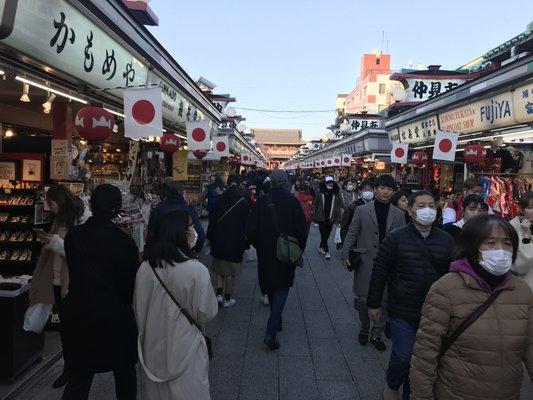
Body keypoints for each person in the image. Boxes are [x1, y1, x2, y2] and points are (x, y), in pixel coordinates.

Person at [410, 214, 533, 400]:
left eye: (507, 243)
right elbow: (425, 354)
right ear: (472, 247)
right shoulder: (445, 288)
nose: (501, 250)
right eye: (491, 243)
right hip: (456, 393)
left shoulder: (522, 291)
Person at [367, 190, 455, 400]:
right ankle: (392, 382)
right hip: (402, 310)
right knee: (404, 355)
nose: (427, 210)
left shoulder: (446, 240)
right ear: (410, 210)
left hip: (435, 312)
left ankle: (410, 392)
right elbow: (380, 272)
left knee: (425, 359)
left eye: (432, 206)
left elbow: (453, 274)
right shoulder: (395, 238)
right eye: (421, 206)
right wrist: (374, 303)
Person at [61, 184, 139, 400]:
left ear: (91, 206)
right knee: (125, 375)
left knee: (80, 378)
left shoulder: (74, 237)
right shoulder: (126, 243)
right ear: (117, 208)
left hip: (82, 316)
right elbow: (130, 286)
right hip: (117, 317)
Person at [134, 210, 218, 400]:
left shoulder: (146, 267)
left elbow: (139, 309)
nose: (194, 230)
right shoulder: (196, 271)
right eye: (190, 226)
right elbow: (208, 312)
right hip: (185, 347)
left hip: (152, 347)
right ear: (180, 233)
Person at [29, 184, 89, 389]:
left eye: (51, 202)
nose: (49, 206)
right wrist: (48, 240)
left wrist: (54, 242)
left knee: (72, 328)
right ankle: (68, 367)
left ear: (61, 201)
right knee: (65, 327)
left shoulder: (80, 219)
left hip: (70, 282)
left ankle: (75, 368)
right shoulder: (59, 219)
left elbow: (79, 254)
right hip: (55, 279)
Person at [341, 174, 406, 351]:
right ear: (375, 189)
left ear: (393, 192)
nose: (385, 192)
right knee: (363, 299)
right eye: (382, 188)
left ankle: (377, 333)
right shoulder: (362, 211)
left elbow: (402, 240)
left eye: (389, 189)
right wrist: (345, 253)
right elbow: (352, 232)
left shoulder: (399, 214)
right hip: (366, 261)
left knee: (384, 300)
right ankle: (364, 327)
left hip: (389, 264)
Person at [246, 170, 307, 350]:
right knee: (283, 285)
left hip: (266, 252)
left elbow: (250, 230)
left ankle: (276, 319)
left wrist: (260, 245)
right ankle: (272, 329)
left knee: (270, 284)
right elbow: (302, 229)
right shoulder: (293, 202)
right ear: (286, 182)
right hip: (287, 252)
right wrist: (297, 247)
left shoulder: (261, 202)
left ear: (270, 183)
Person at [206, 175, 250, 308]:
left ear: (228, 183)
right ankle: (227, 298)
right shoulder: (243, 202)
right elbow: (246, 224)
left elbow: (213, 219)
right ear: (239, 184)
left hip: (219, 239)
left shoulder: (220, 199)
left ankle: (218, 295)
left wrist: (209, 237)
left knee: (219, 269)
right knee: (231, 272)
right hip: (235, 241)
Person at [145, 179, 205, 257]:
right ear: (183, 193)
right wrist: (196, 250)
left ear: (166, 194)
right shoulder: (189, 209)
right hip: (184, 253)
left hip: (162, 254)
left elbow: (151, 235)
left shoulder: (158, 210)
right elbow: (201, 236)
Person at [313, 176, 342, 260]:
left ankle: (321, 247)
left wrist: (338, 218)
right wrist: (315, 217)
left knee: (327, 234)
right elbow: (315, 204)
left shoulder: (336, 193)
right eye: (328, 182)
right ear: (325, 183)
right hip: (321, 217)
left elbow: (338, 207)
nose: (330, 183)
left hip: (331, 217)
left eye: (331, 182)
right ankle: (327, 251)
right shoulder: (320, 192)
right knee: (323, 234)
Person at [510, 191, 533, 290]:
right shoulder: (513, 227)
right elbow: (520, 264)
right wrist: (526, 235)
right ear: (522, 209)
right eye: (530, 208)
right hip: (524, 284)